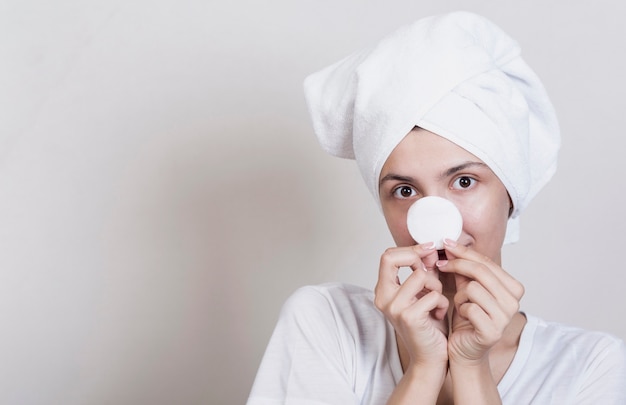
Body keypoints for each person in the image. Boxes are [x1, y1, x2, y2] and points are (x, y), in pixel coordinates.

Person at [247, 11, 626, 404]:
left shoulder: (589, 367)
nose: (435, 222)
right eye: (405, 191)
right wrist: (425, 368)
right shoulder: (325, 323)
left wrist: (469, 365)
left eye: (464, 182)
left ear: (510, 194)